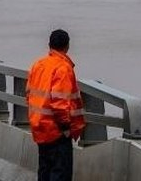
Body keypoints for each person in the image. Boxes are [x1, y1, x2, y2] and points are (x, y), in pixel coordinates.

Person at [27, 29, 86, 181]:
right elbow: (59, 103)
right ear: (67, 46)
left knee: (44, 171)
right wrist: (66, 127)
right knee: (60, 173)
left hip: (40, 129)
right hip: (57, 131)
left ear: (49, 45)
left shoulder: (38, 65)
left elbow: (29, 95)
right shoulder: (63, 68)